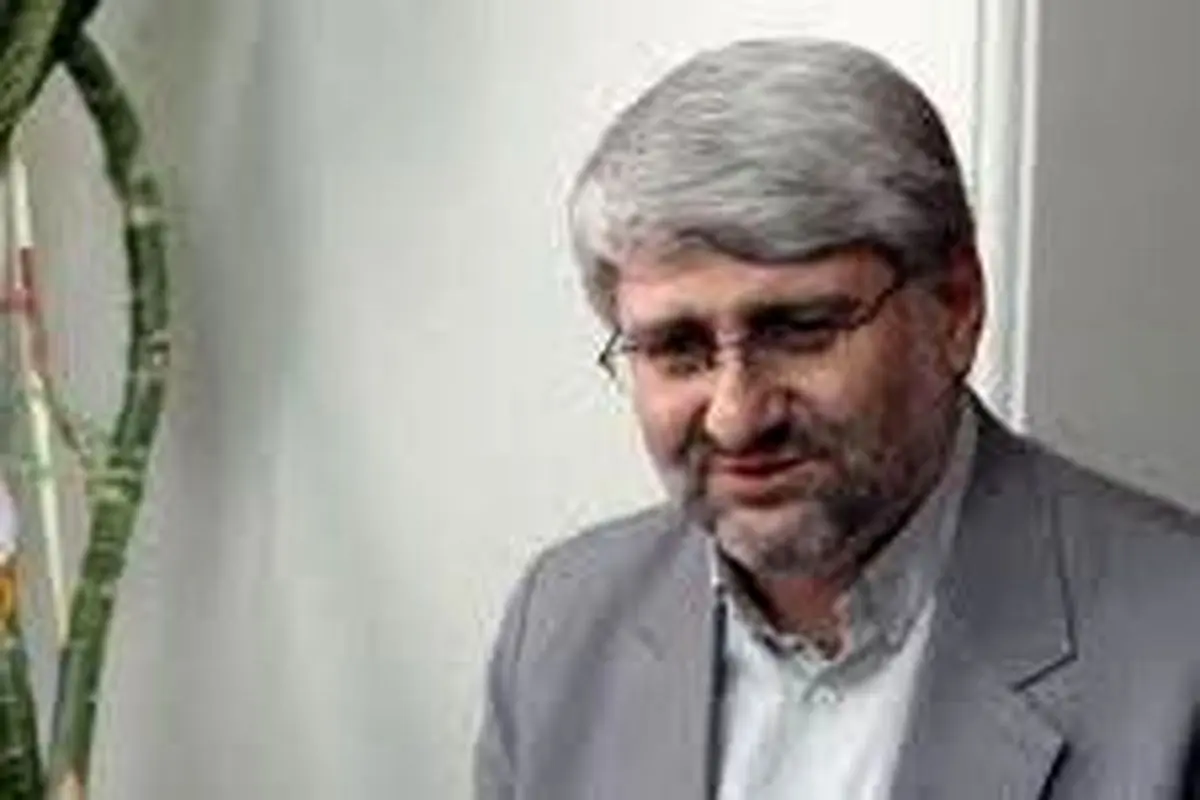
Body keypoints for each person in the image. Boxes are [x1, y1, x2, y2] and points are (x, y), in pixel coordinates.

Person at [473, 38, 1200, 800]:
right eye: (677, 349)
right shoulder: (559, 628)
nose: (735, 418)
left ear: (955, 307)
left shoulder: (1178, 647)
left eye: (799, 329)